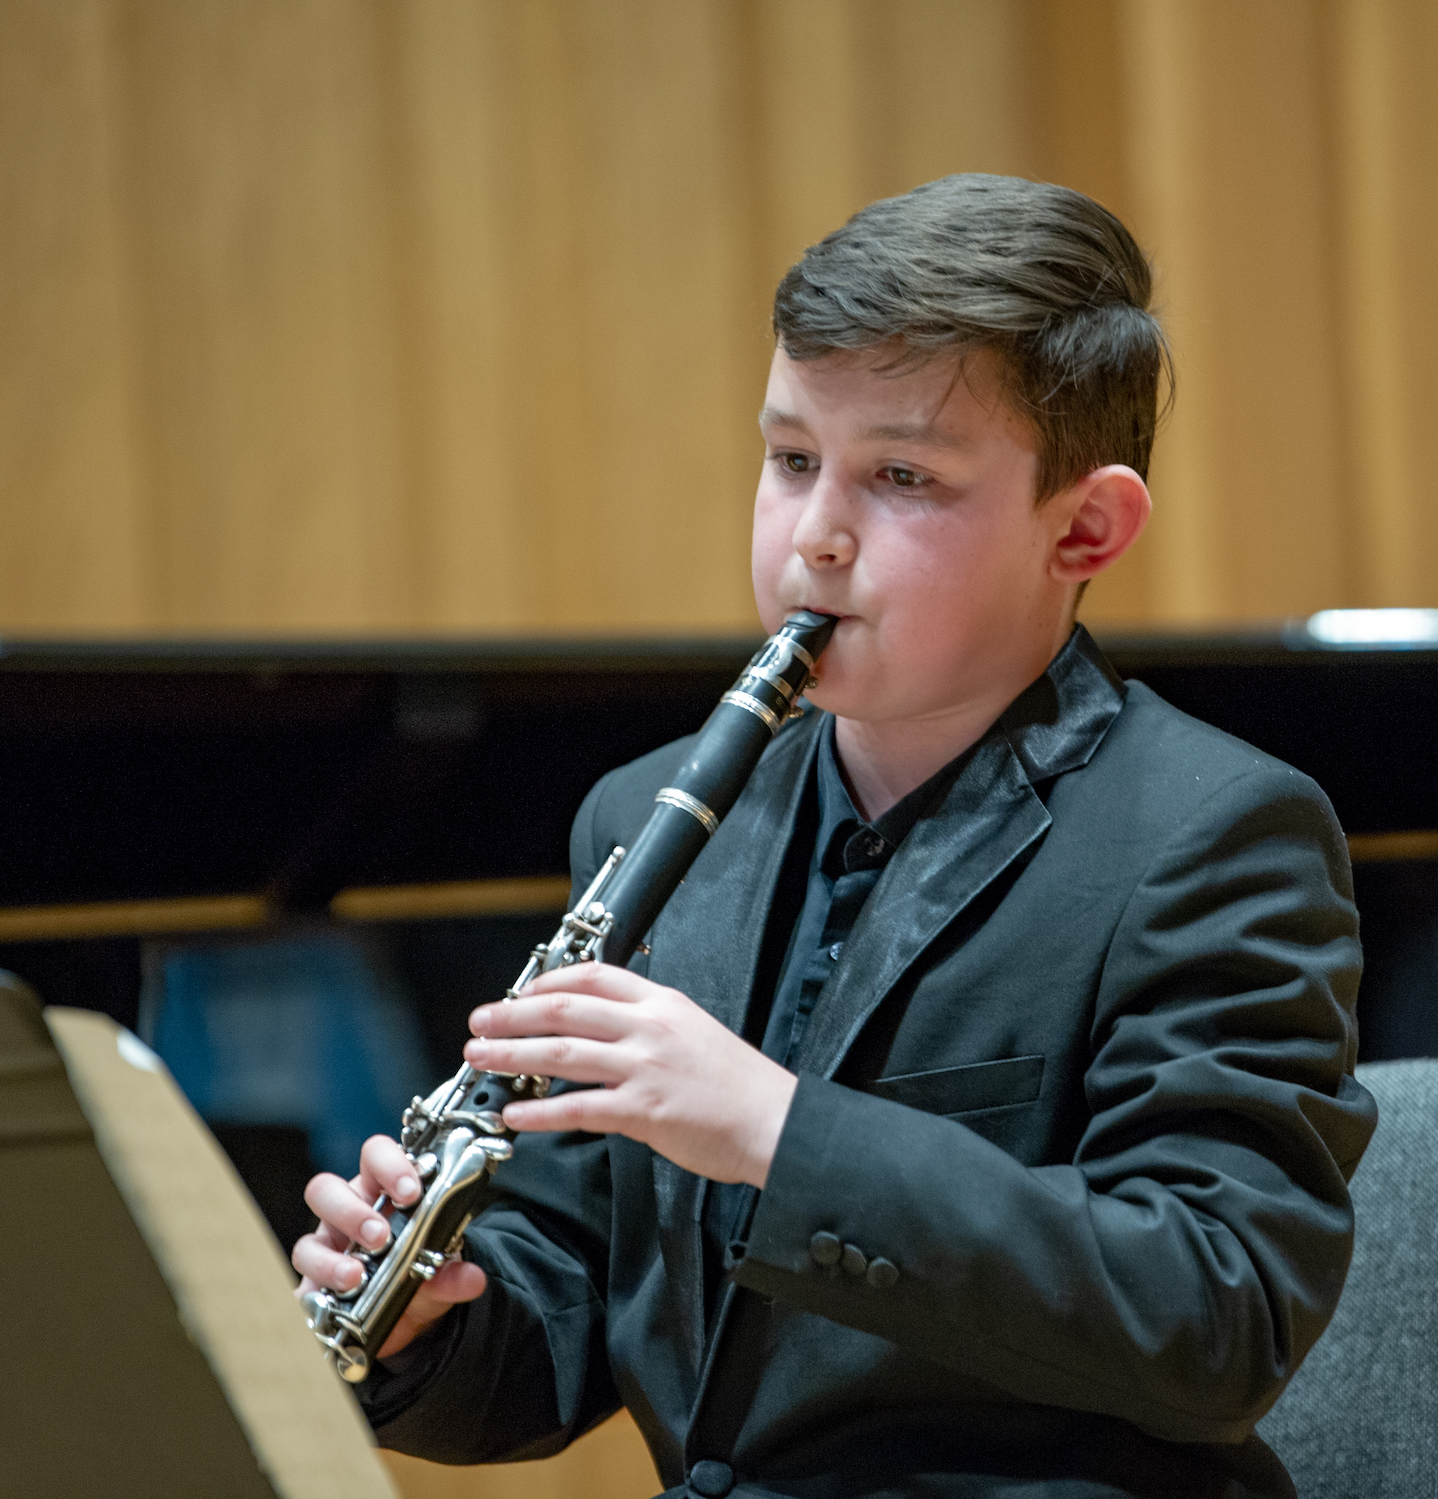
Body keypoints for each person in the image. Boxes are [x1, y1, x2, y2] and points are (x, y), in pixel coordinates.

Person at [294, 174, 1377, 1498]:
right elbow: (578, 1303)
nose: (815, 536)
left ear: (1084, 527)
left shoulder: (1212, 837)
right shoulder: (647, 820)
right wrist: (430, 1322)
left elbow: (1219, 1316)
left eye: (901, 477)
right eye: (792, 458)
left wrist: (776, 1130)